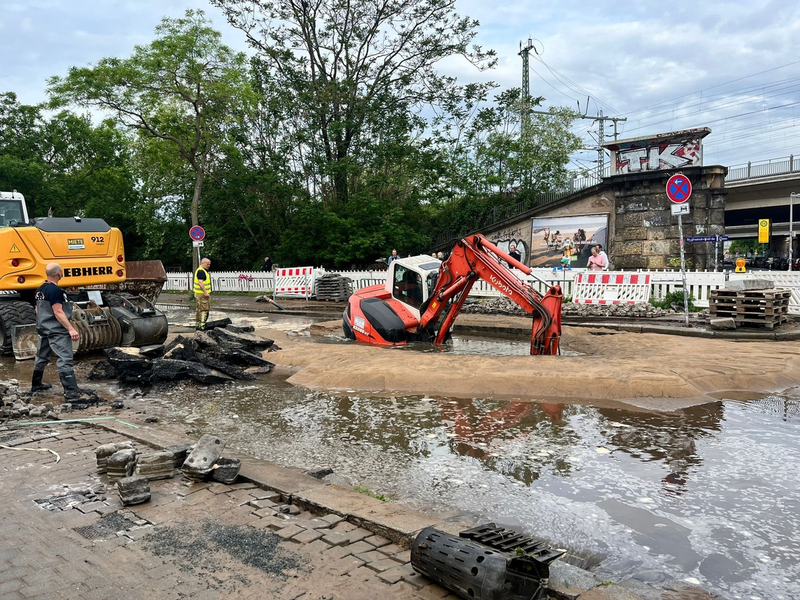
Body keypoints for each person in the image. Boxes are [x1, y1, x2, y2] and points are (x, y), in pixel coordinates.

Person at [31, 262, 88, 401]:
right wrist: (71, 329)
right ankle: (71, 392)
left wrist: (44, 322)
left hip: (44, 328)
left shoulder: (39, 289)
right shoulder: (56, 291)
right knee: (65, 359)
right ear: (59, 273)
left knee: (41, 356)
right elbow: (58, 312)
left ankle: (36, 385)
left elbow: (37, 310)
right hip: (56, 330)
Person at [194, 257, 212, 330]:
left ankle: (198, 324)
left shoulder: (201, 270)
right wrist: (206, 292)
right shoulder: (201, 271)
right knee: (204, 309)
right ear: (202, 263)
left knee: (199, 309)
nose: (208, 266)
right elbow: (200, 282)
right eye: (207, 264)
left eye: (209, 264)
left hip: (199, 293)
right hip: (202, 294)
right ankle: (202, 325)